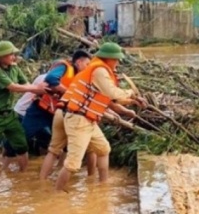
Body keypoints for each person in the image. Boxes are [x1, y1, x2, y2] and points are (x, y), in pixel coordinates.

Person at [55, 42, 147, 191]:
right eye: (116, 59)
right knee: (73, 164)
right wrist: (131, 92)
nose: (117, 62)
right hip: (79, 120)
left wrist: (133, 100)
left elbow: (111, 99)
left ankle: (103, 186)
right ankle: (56, 195)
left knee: (103, 149)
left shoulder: (98, 70)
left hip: (87, 119)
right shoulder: (99, 71)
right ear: (109, 58)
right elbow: (112, 93)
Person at [0, 41, 48, 178]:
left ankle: (23, 175)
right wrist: (37, 89)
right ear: (1, 57)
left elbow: (25, 84)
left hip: (9, 114)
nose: (13, 57)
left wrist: (35, 92)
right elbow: (13, 87)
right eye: (10, 54)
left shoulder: (14, 68)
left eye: (13, 54)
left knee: (22, 145)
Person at [22, 50, 92, 156]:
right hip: (40, 110)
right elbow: (51, 79)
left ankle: (55, 169)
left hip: (57, 112)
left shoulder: (80, 77)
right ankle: (4, 165)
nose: (88, 67)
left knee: (63, 144)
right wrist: (69, 93)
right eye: (87, 64)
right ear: (79, 62)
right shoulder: (65, 67)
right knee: (22, 138)